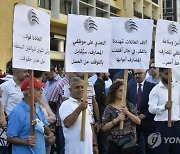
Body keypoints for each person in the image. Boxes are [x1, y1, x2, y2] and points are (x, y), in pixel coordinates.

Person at [7, 77, 55, 154]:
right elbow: (10, 138)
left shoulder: (38, 108)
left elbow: (45, 127)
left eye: (41, 89)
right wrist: (25, 141)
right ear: (29, 93)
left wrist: (50, 134)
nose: (41, 92)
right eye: (38, 89)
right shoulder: (17, 112)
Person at [59, 77, 98, 154]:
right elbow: (67, 123)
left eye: (82, 87)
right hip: (74, 149)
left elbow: (90, 125)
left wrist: (94, 144)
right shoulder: (66, 105)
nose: (80, 90)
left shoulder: (86, 105)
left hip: (88, 148)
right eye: (77, 87)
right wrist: (79, 109)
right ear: (70, 90)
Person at [102, 81, 141, 154]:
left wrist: (127, 113)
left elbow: (138, 121)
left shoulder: (129, 105)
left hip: (129, 142)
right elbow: (104, 128)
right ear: (114, 92)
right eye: (120, 90)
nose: (123, 92)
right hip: (115, 143)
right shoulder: (109, 108)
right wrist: (117, 120)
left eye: (124, 90)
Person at [148, 68, 180, 154]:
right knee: (162, 151)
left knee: (177, 150)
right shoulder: (155, 90)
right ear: (160, 73)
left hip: (177, 126)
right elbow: (151, 109)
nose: (169, 76)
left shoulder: (177, 88)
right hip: (163, 127)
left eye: (170, 73)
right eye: (166, 73)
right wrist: (164, 107)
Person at [126, 69, 156, 154]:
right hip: (134, 121)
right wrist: (133, 115)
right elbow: (128, 102)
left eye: (140, 73)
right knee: (136, 146)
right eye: (135, 74)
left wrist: (145, 115)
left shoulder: (152, 87)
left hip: (148, 121)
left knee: (150, 146)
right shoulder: (130, 87)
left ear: (145, 74)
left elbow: (154, 103)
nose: (137, 76)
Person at [49, 72, 77, 154]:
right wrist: (60, 111)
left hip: (75, 124)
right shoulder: (60, 84)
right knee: (63, 148)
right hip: (62, 123)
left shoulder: (80, 81)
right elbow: (52, 101)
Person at [94, 72, 110, 154]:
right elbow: (97, 104)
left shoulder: (102, 85)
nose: (109, 74)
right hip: (100, 120)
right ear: (101, 73)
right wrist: (99, 121)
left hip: (104, 119)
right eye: (107, 72)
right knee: (102, 146)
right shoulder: (97, 85)